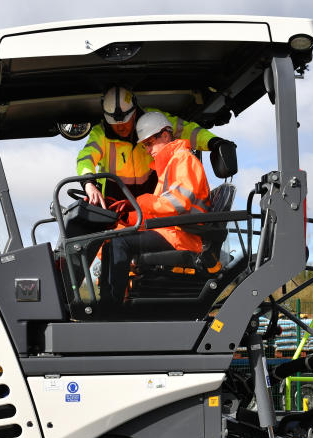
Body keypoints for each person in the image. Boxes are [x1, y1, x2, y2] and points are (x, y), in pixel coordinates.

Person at [97, 111, 212, 307]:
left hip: (184, 236)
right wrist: (126, 218)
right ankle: (105, 303)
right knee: (110, 240)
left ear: (166, 135)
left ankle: (112, 308)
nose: (148, 150)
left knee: (120, 243)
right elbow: (157, 211)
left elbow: (178, 202)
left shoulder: (183, 159)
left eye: (150, 143)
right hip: (170, 231)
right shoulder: (168, 167)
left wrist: (141, 201)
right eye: (145, 145)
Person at [76, 86, 234, 206]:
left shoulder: (153, 121)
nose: (121, 127)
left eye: (125, 121)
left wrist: (214, 142)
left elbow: (188, 130)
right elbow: (86, 158)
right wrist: (88, 183)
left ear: (134, 113)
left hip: (153, 199)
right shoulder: (100, 133)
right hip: (115, 201)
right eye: (115, 124)